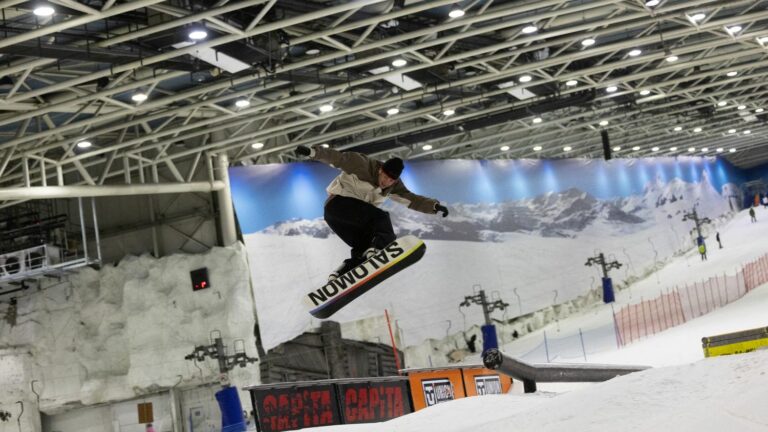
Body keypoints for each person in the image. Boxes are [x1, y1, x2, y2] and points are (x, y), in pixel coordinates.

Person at [295, 145, 449, 280]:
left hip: (346, 219)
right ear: (380, 169)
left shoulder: (393, 186)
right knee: (380, 217)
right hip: (338, 205)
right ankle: (381, 248)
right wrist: (312, 152)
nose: (386, 182)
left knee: (363, 245)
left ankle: (343, 273)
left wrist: (434, 207)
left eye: (391, 181)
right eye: (385, 177)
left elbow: (412, 199)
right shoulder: (360, 164)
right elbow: (336, 158)